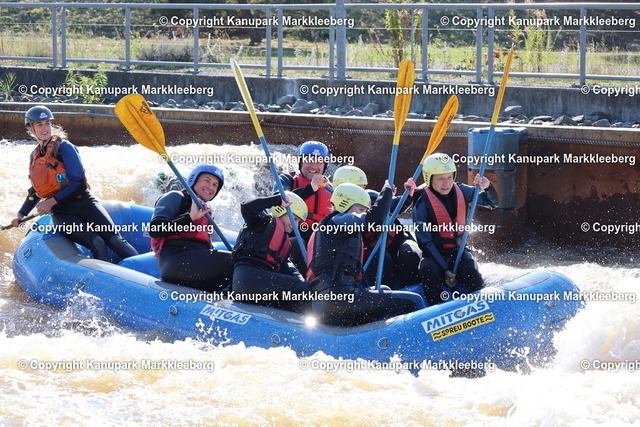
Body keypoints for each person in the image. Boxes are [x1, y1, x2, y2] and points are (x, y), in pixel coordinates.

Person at [12, 105, 138, 262]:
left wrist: (52, 201)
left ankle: (144, 270)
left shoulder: (64, 147)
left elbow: (79, 183)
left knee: (115, 240)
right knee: (97, 242)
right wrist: (21, 214)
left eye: (47, 123)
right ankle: (105, 275)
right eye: (39, 125)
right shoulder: (34, 156)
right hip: (62, 212)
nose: (45, 128)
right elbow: (36, 190)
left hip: (83, 203)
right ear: (30, 128)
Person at [306, 182, 421, 326]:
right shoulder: (338, 221)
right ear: (345, 205)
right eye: (361, 209)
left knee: (384, 290)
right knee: (413, 301)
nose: (363, 213)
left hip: (330, 301)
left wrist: (405, 196)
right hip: (339, 298)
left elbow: (387, 210)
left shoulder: (335, 224)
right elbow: (374, 219)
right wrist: (386, 190)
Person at [412, 153, 499, 306]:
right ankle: (436, 310)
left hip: (458, 251)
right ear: (429, 179)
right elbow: (425, 242)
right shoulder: (422, 204)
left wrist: (488, 187)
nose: (446, 183)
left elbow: (492, 203)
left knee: (470, 268)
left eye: (449, 177)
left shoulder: (461, 190)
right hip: (434, 256)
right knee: (427, 269)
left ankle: (481, 307)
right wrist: (446, 270)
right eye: (440, 179)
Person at [332, 165, 422, 289]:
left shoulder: (370, 197)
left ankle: (415, 291)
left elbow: (395, 205)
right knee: (382, 259)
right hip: (371, 253)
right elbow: (372, 218)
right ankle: (385, 295)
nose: (361, 192)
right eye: (357, 188)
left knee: (410, 253)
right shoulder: (337, 217)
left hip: (394, 243)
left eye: (362, 187)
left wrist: (408, 194)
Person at [149, 164, 232, 292]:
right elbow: (155, 229)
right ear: (193, 180)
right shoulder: (175, 197)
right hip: (176, 262)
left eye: (215, 185)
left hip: (197, 264)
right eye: (207, 181)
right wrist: (189, 217)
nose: (211, 187)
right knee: (237, 261)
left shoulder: (206, 212)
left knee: (244, 263)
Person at [232, 191, 310, 312]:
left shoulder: (285, 243)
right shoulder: (261, 222)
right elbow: (247, 207)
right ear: (280, 210)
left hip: (262, 282)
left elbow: (289, 269)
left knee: (306, 290)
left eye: (298, 221)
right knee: (302, 290)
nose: (295, 225)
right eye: (294, 218)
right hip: (248, 278)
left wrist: (305, 284)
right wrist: (277, 200)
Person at [278, 141, 333, 273]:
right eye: (309, 160)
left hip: (320, 236)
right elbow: (281, 198)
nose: (314, 166)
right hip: (293, 232)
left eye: (319, 162)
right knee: (297, 243)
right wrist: (311, 188)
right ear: (301, 162)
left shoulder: (333, 189)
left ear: (324, 165)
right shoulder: (287, 180)